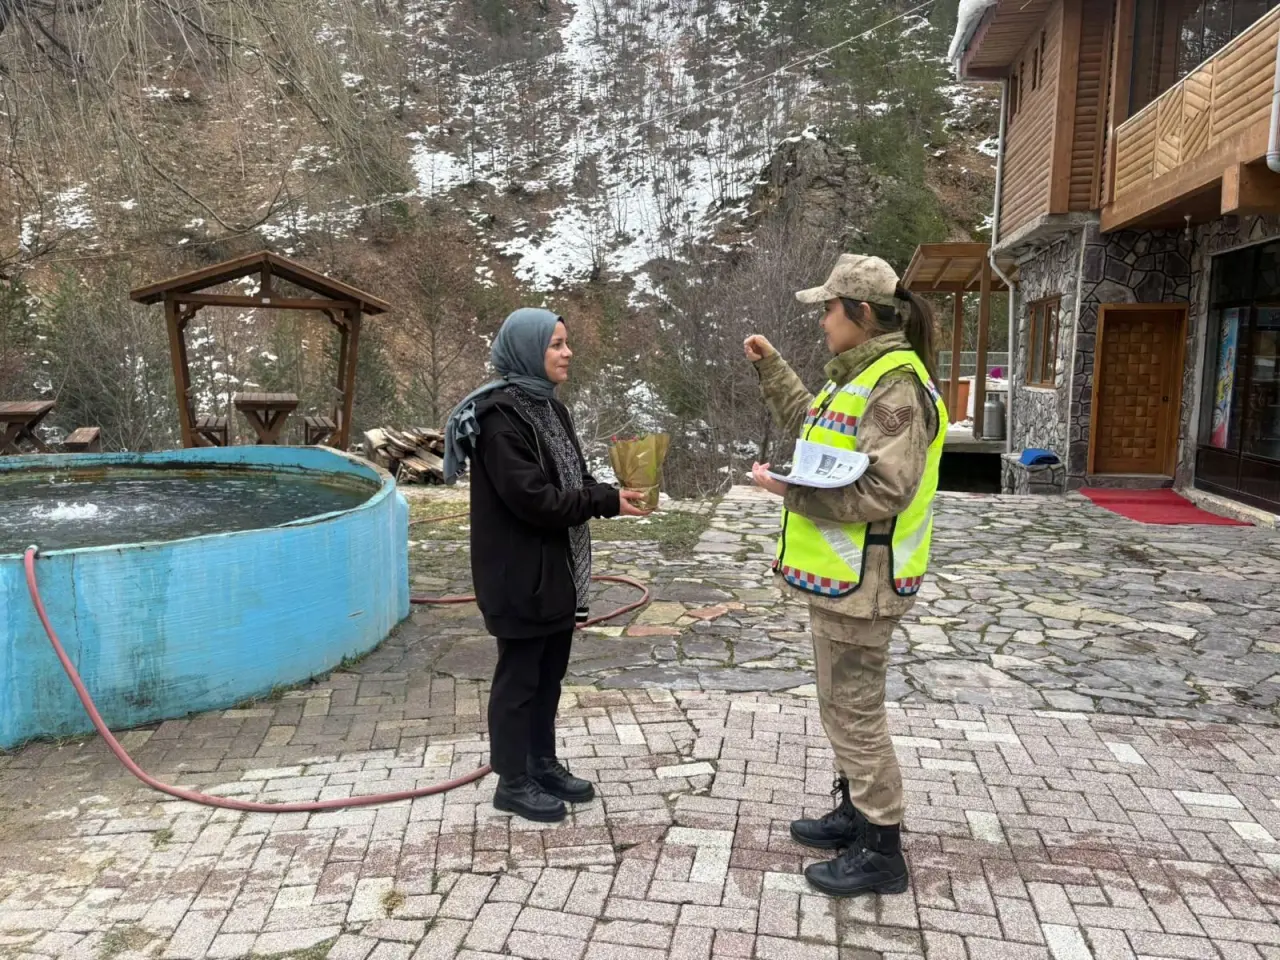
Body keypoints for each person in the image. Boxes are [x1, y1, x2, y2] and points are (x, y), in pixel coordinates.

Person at [744, 254, 948, 897]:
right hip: (845, 583)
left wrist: (790, 493)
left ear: (860, 313)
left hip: (866, 584)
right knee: (841, 707)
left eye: (829, 309)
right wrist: (770, 367)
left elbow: (887, 488)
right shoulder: (860, 376)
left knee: (855, 713)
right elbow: (814, 425)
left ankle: (881, 850)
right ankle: (855, 813)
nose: (823, 322)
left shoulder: (895, 386)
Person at [443, 307, 652, 823]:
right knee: (519, 678)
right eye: (556, 344)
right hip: (518, 575)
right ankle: (511, 781)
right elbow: (534, 500)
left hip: (555, 570)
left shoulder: (549, 409)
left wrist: (610, 493)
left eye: (566, 343)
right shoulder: (498, 419)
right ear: (527, 351)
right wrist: (601, 502)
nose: (567, 353)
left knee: (549, 674)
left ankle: (541, 762)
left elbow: (574, 478)